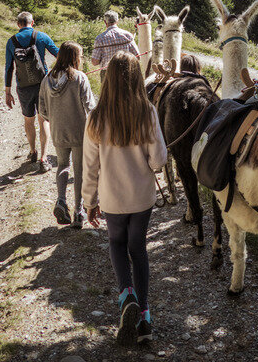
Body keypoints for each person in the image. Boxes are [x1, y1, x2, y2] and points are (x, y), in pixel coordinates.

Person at [82, 52, 167, 345]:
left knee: (116, 244)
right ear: (136, 78)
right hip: (141, 197)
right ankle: (144, 316)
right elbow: (158, 160)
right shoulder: (147, 112)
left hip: (112, 198)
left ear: (108, 80)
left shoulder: (96, 117)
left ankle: (126, 294)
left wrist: (89, 201)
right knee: (138, 249)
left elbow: (90, 166)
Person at [39, 41, 96, 228]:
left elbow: (42, 110)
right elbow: (90, 107)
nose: (82, 58)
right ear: (74, 57)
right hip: (79, 132)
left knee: (63, 165)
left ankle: (61, 200)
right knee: (79, 171)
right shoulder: (80, 78)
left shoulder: (47, 79)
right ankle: (79, 211)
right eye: (80, 55)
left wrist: (55, 119)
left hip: (58, 131)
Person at [5, 11, 59, 172]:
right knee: (44, 121)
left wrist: (8, 91)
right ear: (32, 22)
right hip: (43, 84)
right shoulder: (41, 36)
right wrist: (57, 74)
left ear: (18, 24)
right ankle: (44, 158)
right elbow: (59, 54)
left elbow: (9, 68)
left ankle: (32, 151)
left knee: (29, 120)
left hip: (23, 87)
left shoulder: (11, 41)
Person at [91, 10, 139, 80]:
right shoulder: (127, 35)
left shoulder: (100, 38)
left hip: (107, 73)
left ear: (105, 22)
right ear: (117, 21)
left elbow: (95, 62)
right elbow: (137, 56)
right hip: (126, 71)